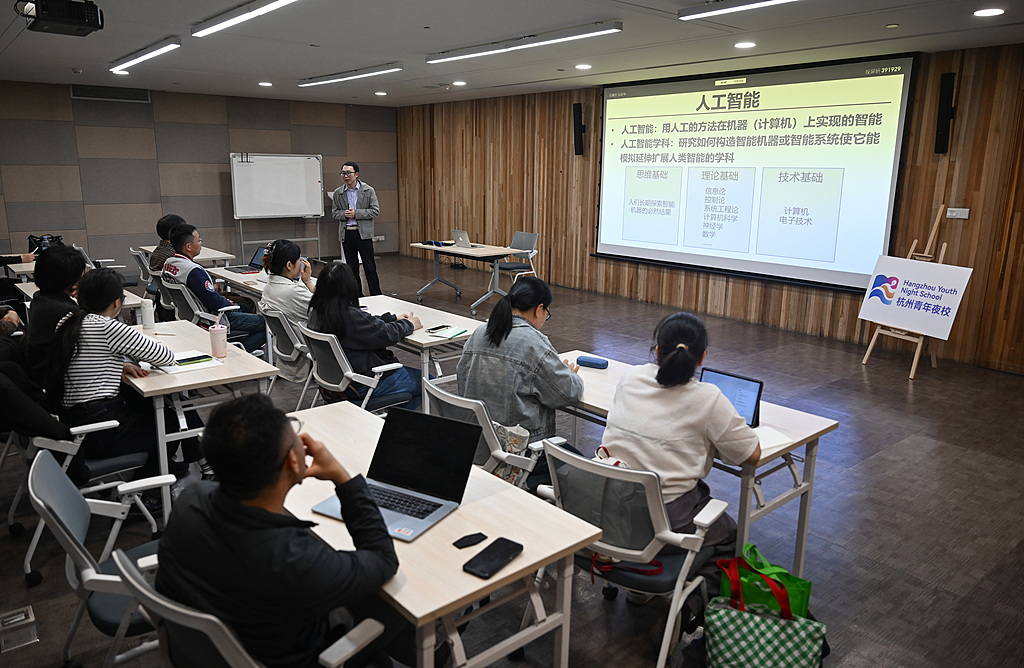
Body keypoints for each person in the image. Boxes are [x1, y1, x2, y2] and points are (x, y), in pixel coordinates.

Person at [155, 393, 423, 668]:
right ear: (294, 462)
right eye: (293, 431)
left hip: (219, 643)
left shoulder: (192, 498)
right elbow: (384, 559)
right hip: (294, 656)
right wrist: (342, 477)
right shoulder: (295, 561)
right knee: (399, 602)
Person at [597, 312, 761, 604]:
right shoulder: (708, 398)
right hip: (665, 523)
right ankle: (692, 607)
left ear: (657, 351)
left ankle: (640, 588)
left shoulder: (630, 377)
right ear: (701, 359)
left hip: (610, 509)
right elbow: (751, 455)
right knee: (731, 537)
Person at [46, 268, 207, 492]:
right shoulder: (107, 327)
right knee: (168, 423)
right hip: (100, 428)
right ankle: (149, 491)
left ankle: (169, 467)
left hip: (73, 419)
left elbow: (82, 356)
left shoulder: (68, 320)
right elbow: (164, 356)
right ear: (116, 302)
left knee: (154, 405)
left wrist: (121, 364)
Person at [456, 276, 583, 443]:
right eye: (547, 313)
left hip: (479, 444)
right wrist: (570, 374)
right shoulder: (534, 344)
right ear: (539, 309)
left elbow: (461, 379)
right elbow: (569, 393)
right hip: (521, 453)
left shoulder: (480, 332)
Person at [308, 262, 423, 410]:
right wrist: (410, 324)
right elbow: (386, 334)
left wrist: (392, 318)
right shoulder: (350, 317)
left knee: (406, 394)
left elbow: (369, 326)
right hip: (363, 383)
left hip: (336, 383)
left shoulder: (316, 313)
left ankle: (387, 420)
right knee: (428, 384)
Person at [162, 223, 266, 353]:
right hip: (211, 318)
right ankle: (236, 350)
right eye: (199, 240)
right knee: (267, 324)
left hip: (190, 315)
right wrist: (227, 302)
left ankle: (236, 343)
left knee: (245, 306)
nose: (201, 243)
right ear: (188, 246)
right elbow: (214, 303)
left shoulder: (169, 263)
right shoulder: (193, 271)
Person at [259, 239, 315, 382]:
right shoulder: (293, 292)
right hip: (309, 350)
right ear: (289, 265)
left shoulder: (269, 288)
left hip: (288, 350)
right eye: (299, 261)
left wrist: (306, 281)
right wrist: (308, 283)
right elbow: (326, 308)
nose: (301, 264)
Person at [26, 245, 87, 376]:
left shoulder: (41, 298)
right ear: (71, 278)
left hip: (41, 372)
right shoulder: (66, 311)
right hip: (59, 379)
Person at [331, 162, 381, 296]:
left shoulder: (368, 190)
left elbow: (375, 211)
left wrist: (356, 214)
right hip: (347, 233)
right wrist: (344, 215)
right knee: (352, 268)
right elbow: (334, 213)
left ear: (356, 174)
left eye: (348, 173)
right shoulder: (338, 192)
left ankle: (376, 295)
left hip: (363, 234)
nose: (345, 176)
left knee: (369, 267)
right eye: (343, 173)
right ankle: (357, 296)